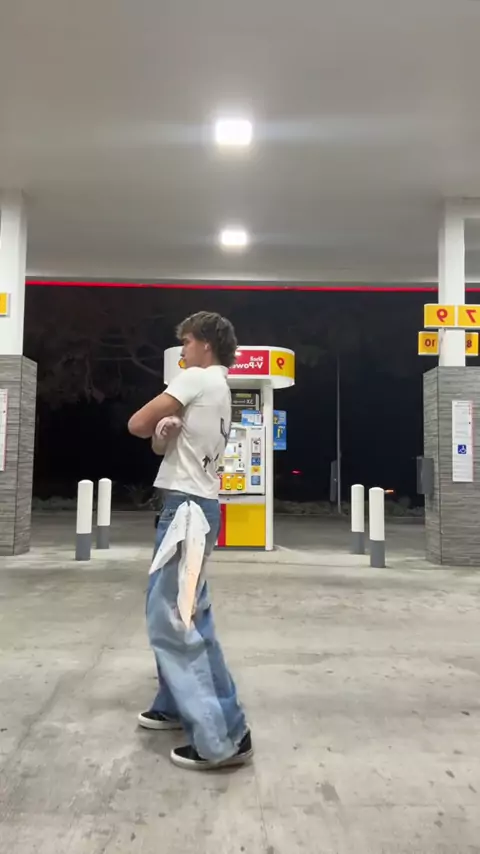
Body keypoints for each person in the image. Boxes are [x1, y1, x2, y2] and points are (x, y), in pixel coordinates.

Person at [128, 311, 253, 771]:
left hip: (184, 511)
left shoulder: (196, 378)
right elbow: (161, 443)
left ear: (204, 343)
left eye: (186, 342)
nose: (182, 351)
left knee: (174, 622)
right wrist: (165, 433)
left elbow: (136, 423)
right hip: (193, 507)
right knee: (186, 613)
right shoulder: (220, 388)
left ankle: (224, 737)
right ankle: (176, 703)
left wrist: (157, 422)